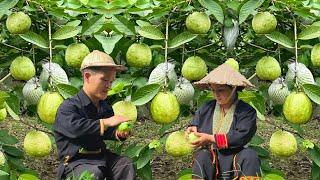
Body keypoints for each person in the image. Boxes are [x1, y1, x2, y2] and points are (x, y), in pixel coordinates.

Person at [54, 50, 136, 180]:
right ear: (87, 77)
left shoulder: (104, 107)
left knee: (125, 164)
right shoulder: (68, 107)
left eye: (111, 81)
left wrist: (118, 133)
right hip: (75, 162)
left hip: (101, 157)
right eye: (104, 80)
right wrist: (106, 122)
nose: (109, 86)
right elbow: (77, 129)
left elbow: (106, 131)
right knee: (92, 174)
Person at [186, 63, 261, 180]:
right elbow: (195, 121)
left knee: (250, 156)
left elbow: (241, 136)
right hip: (211, 158)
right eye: (213, 90)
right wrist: (191, 128)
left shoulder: (246, 111)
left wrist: (211, 138)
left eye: (221, 90)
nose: (216, 95)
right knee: (201, 156)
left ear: (234, 88)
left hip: (236, 157)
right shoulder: (207, 107)